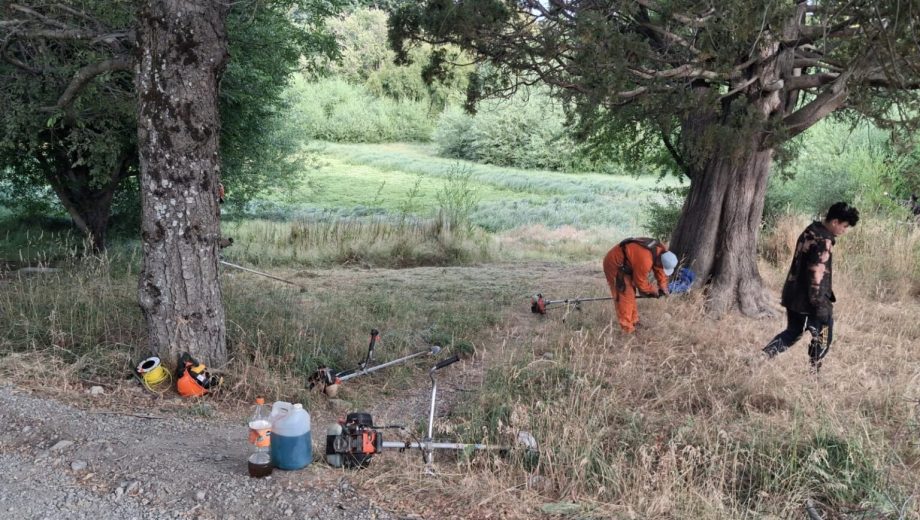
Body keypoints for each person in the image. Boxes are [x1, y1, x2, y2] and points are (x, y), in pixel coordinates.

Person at [761, 201, 860, 372]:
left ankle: (761, 358)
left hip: (793, 295)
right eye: (844, 226)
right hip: (808, 301)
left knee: (793, 332)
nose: (844, 231)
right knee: (823, 335)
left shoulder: (811, 230)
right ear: (835, 222)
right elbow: (817, 276)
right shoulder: (824, 241)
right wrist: (820, 306)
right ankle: (814, 372)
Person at [602, 238, 678, 333]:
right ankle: (627, 329)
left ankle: (634, 321)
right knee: (625, 295)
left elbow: (659, 269)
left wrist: (663, 286)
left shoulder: (661, 251)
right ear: (660, 260)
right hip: (615, 264)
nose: (662, 268)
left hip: (628, 265)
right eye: (662, 266)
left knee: (631, 293)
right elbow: (641, 283)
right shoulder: (645, 260)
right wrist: (653, 290)